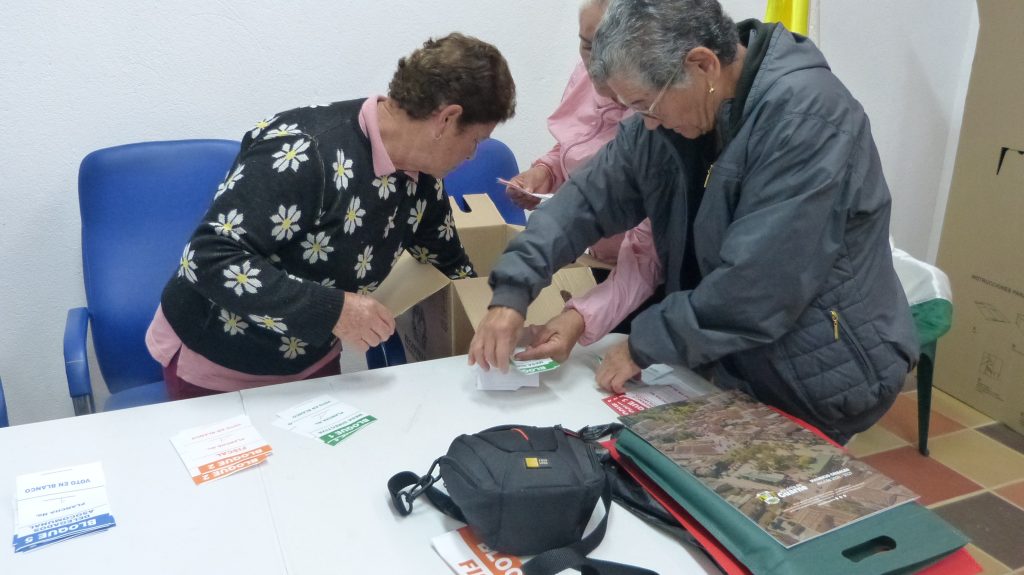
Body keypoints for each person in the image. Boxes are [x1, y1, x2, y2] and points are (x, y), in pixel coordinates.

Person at [468, 0, 918, 444]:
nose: (645, 124)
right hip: (728, 364)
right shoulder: (671, 115)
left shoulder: (808, 118)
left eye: (644, 105)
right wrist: (513, 292)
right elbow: (584, 200)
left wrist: (642, 344)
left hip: (817, 372)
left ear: (702, 65)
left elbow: (757, 286)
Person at [147, 33, 516, 400]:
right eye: (475, 140)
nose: (472, 155)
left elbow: (447, 261)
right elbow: (208, 258)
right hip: (220, 362)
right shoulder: (305, 150)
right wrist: (335, 311)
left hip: (313, 361)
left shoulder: (422, 176)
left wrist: (499, 317)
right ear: (447, 119)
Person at [503, 0, 632, 268]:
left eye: (611, 47)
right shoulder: (584, 75)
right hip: (599, 255)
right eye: (587, 45)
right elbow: (573, 145)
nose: (595, 63)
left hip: (644, 263)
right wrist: (545, 173)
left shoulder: (658, 112)